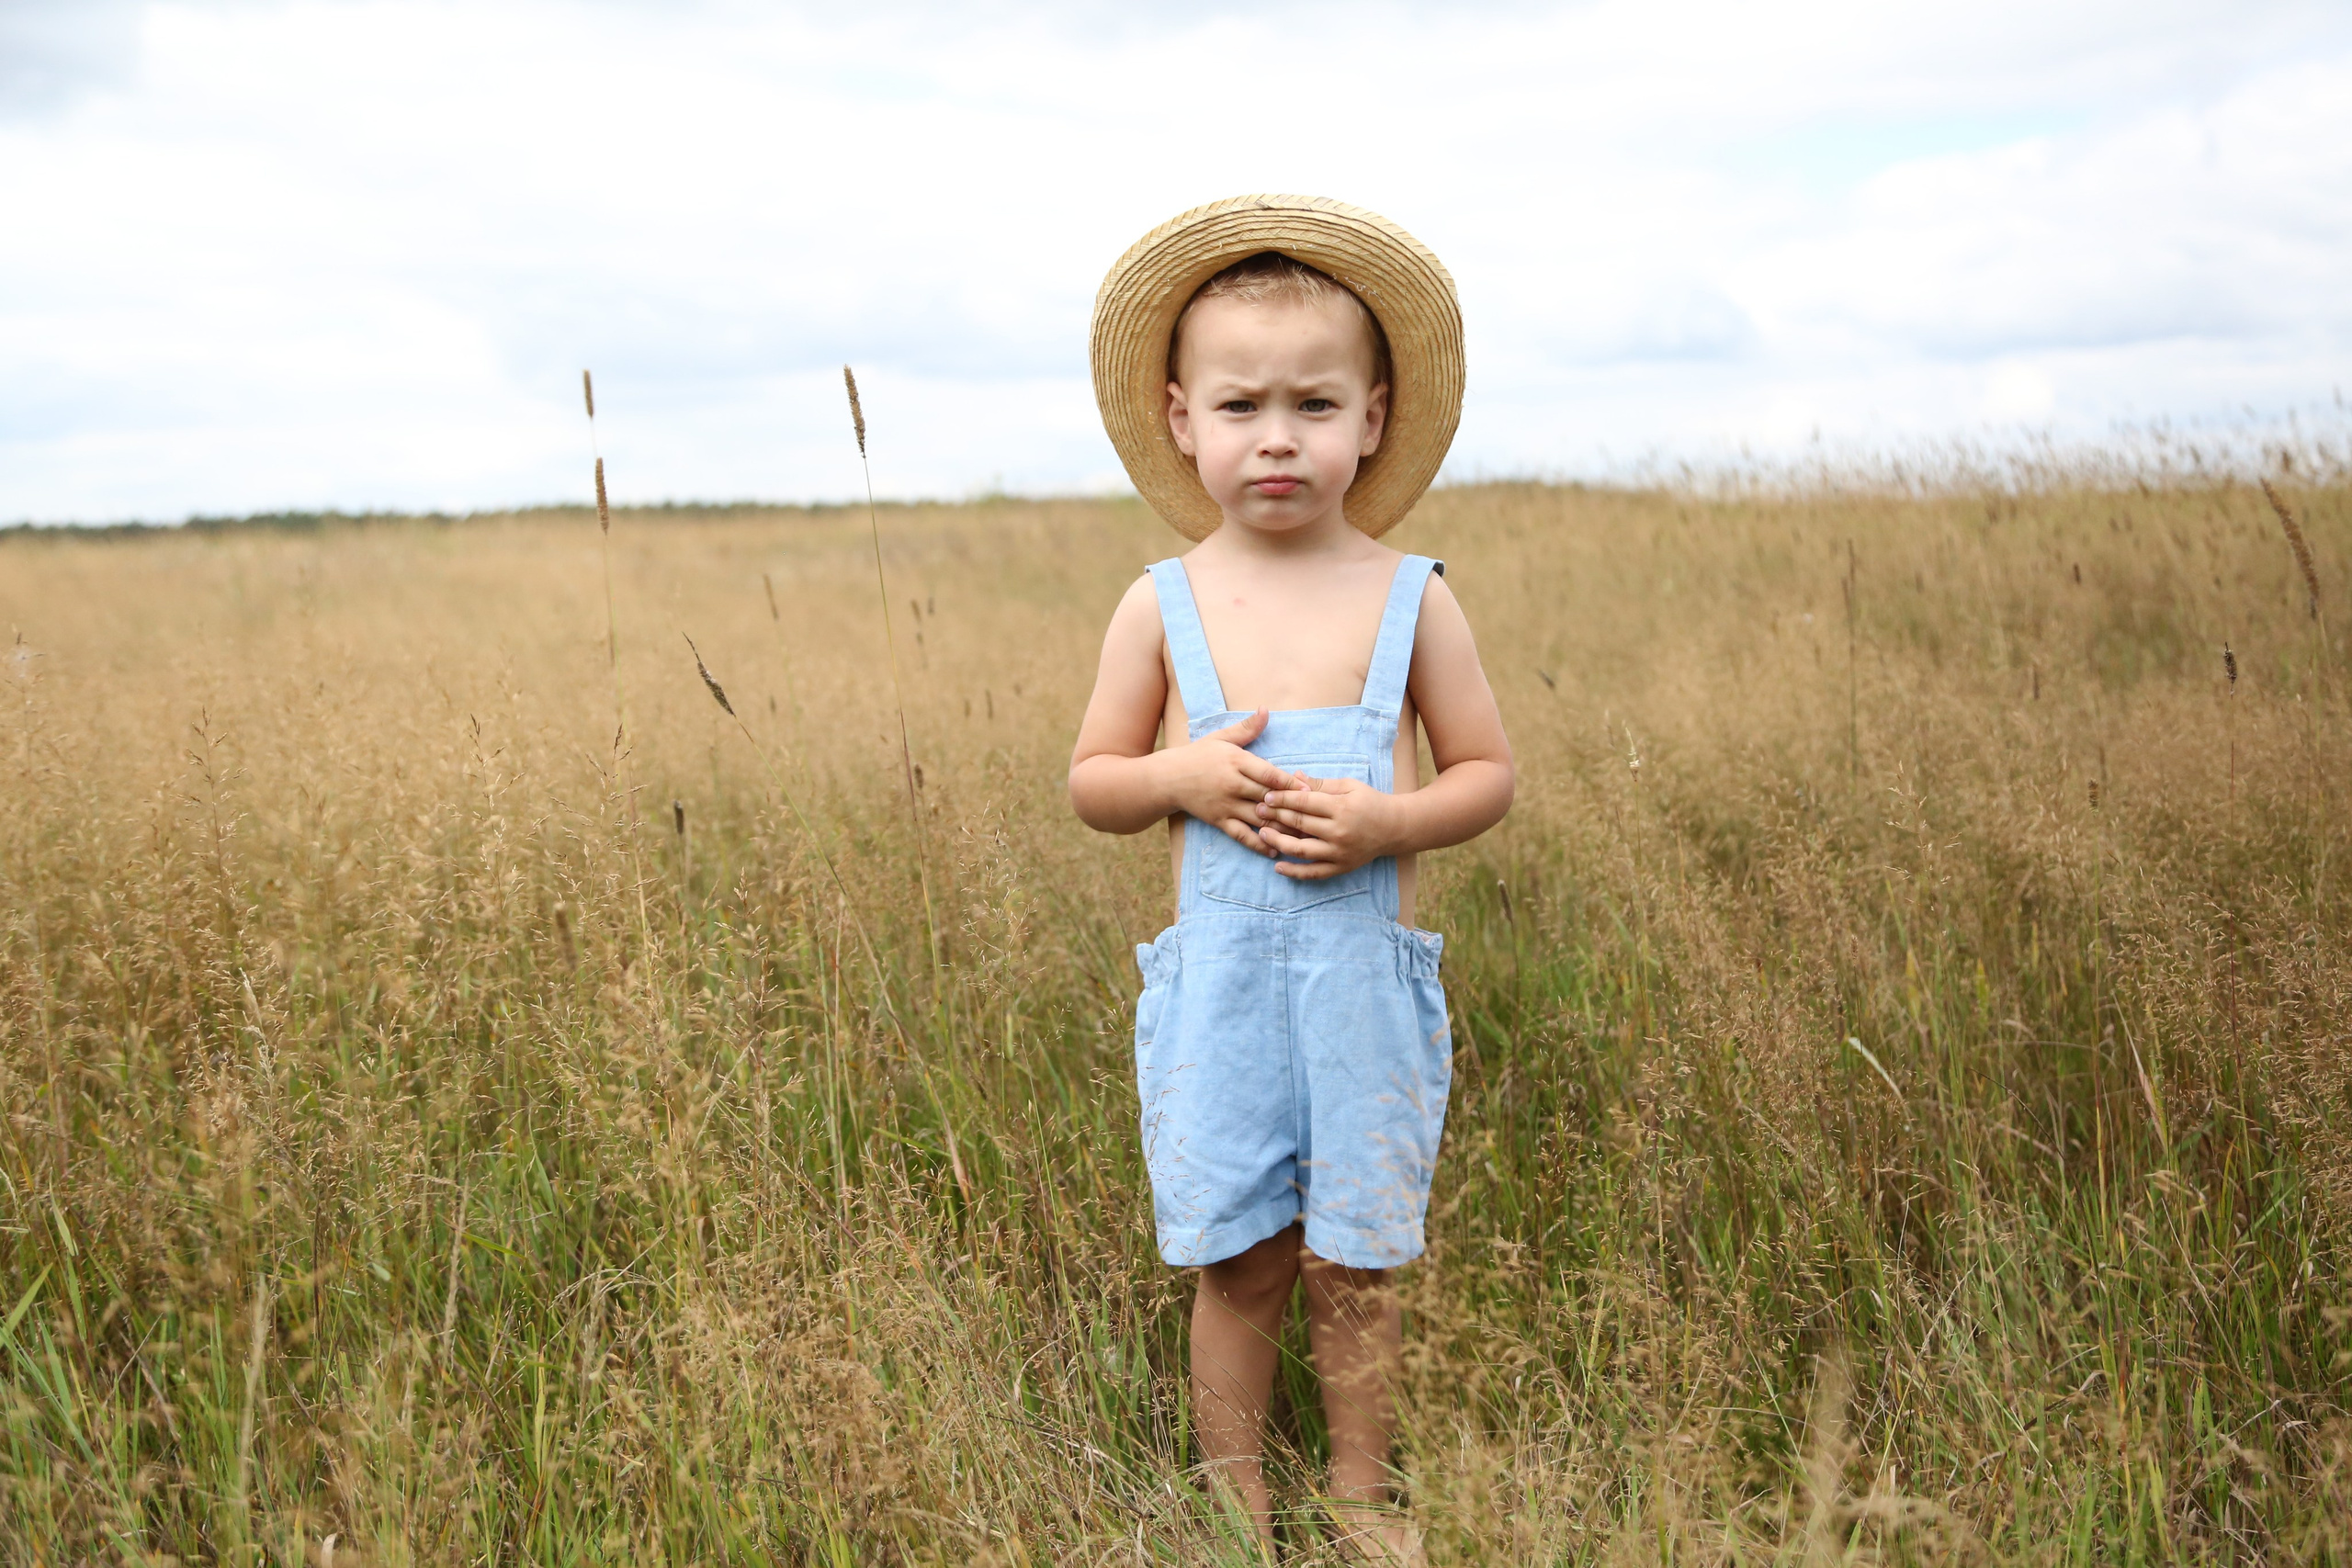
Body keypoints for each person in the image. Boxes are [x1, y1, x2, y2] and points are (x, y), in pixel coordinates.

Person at [1069, 197, 1514, 1562]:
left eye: (1315, 404)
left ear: (1372, 420)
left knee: (1355, 1260)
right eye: (1241, 404)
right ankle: (1232, 1502)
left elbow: (1486, 771)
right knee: (1242, 1257)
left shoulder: (1410, 595)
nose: (1278, 437)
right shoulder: (1164, 601)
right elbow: (1094, 781)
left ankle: (1367, 1498)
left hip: (1359, 985)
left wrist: (1391, 824)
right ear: (1180, 418)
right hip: (1222, 991)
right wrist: (1180, 779)